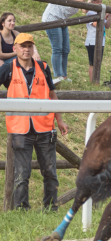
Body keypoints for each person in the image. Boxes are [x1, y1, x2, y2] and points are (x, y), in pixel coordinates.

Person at [1, 33, 69, 210]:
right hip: (20, 129)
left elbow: (52, 94)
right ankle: (21, 211)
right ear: (15, 48)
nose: (26, 49)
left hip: (45, 128)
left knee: (50, 173)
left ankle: (50, 209)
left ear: (33, 48)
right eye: (22, 46)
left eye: (29, 46)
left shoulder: (43, 67)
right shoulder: (7, 68)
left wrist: (59, 120)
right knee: (22, 175)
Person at [41, 0, 103, 84]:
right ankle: (58, 76)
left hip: (62, 21)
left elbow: (84, 9)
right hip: (52, 19)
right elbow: (77, 2)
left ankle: (64, 77)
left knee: (66, 49)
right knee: (57, 48)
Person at [84, 9, 111, 83]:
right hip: (92, 41)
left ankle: (96, 81)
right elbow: (96, 24)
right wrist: (103, 17)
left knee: (98, 62)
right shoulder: (90, 13)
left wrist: (110, 16)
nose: (99, 2)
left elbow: (107, 26)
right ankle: (93, 82)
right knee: (93, 63)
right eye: (97, 1)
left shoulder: (100, 14)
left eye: (100, 0)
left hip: (101, 41)